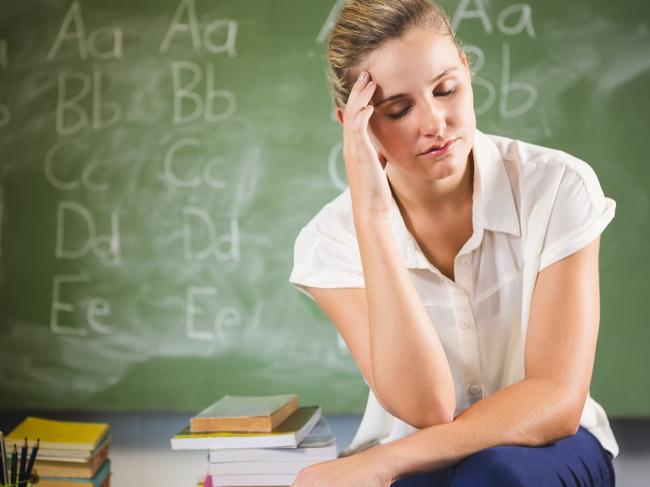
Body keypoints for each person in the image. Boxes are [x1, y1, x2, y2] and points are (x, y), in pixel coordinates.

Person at [289, 0, 618, 485]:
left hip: (552, 447)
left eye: (446, 89)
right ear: (354, 124)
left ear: (465, 70)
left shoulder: (558, 187)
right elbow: (428, 406)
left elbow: (556, 399)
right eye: (399, 110)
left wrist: (385, 461)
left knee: (495, 475)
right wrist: (373, 217)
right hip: (417, 454)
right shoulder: (330, 240)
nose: (434, 122)